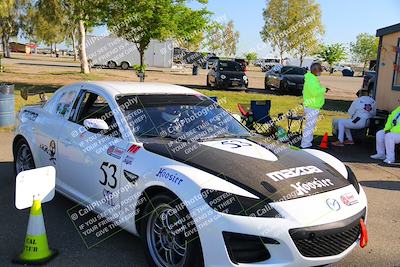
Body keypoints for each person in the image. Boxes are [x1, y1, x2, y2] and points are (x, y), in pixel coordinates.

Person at [301, 62, 328, 148]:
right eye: (320, 70)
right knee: (309, 126)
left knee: (310, 126)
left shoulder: (311, 79)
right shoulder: (312, 80)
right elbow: (314, 92)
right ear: (316, 71)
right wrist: (324, 89)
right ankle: (305, 144)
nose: (321, 72)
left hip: (311, 105)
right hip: (312, 106)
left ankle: (308, 143)